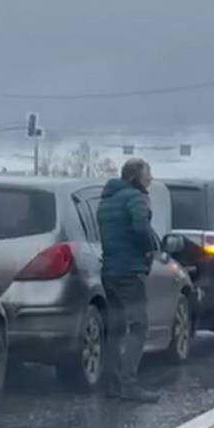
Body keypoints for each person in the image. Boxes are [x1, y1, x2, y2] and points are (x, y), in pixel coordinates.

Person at [96, 158, 159, 403]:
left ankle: (110, 382)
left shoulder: (107, 200)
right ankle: (129, 382)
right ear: (135, 177)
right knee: (138, 326)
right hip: (129, 272)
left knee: (116, 328)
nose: (150, 179)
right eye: (148, 174)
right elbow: (140, 228)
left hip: (110, 271)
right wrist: (150, 250)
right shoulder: (135, 197)